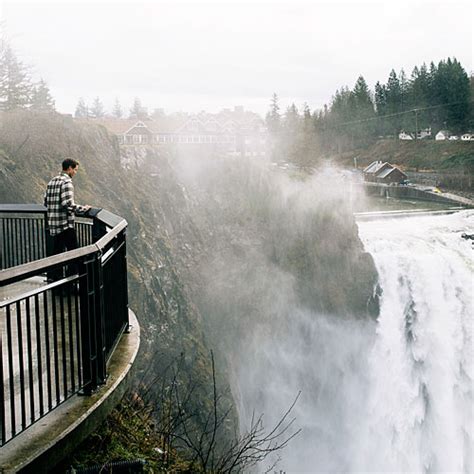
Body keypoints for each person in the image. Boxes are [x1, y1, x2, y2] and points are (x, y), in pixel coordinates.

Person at [44, 158, 90, 278]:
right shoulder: (66, 182)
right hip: (65, 225)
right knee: (74, 254)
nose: (75, 172)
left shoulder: (52, 182)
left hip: (54, 224)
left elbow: (45, 202)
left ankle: (56, 283)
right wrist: (83, 208)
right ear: (69, 168)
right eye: (75, 170)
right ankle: (72, 282)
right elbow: (67, 204)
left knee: (57, 255)